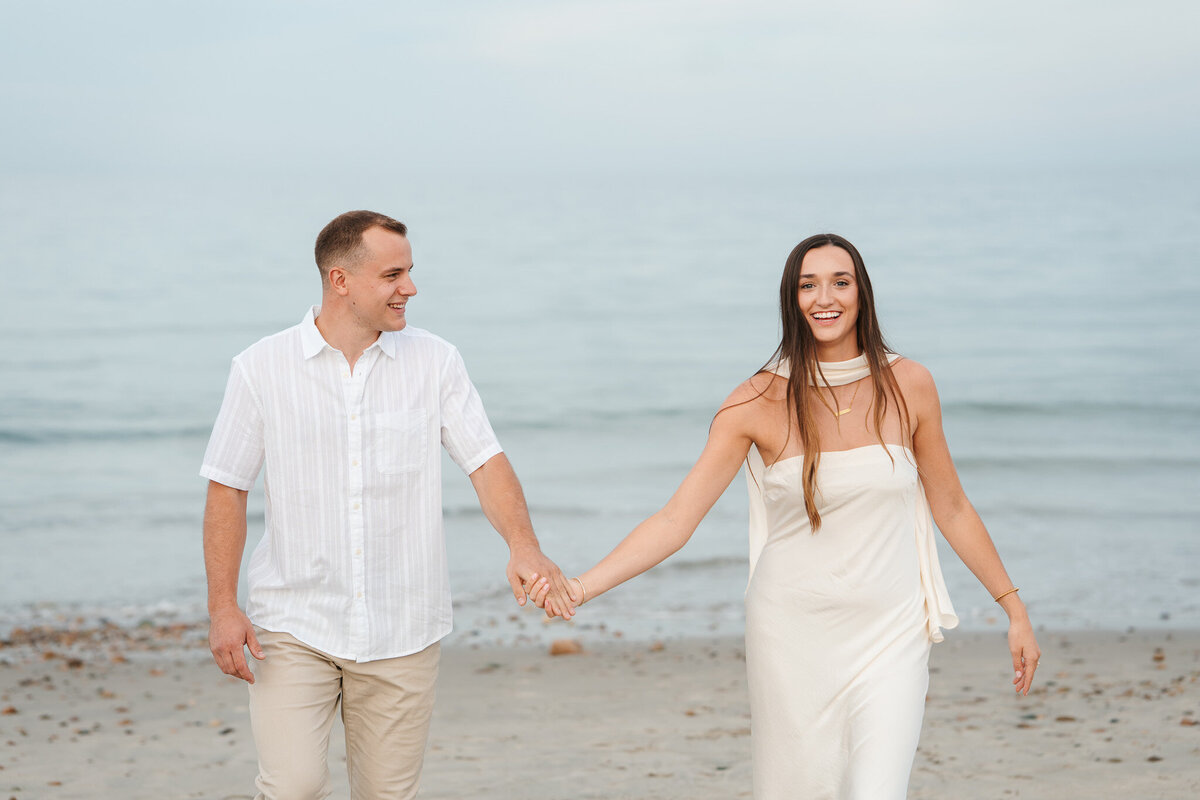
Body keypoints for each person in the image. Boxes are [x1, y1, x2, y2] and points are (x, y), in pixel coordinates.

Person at [550, 234, 1040, 799]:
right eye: (808, 284)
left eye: (840, 282)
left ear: (862, 294)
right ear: (792, 298)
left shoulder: (910, 385)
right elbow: (675, 520)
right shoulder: (755, 400)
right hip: (791, 634)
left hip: (890, 632)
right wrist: (581, 588)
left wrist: (1014, 608)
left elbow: (951, 506)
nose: (824, 297)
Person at [200, 210, 577, 800]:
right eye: (393, 274)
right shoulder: (260, 368)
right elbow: (228, 485)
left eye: (410, 272)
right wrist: (223, 605)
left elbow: (484, 461)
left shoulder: (437, 361)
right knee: (291, 786)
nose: (411, 288)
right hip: (294, 623)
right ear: (340, 280)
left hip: (405, 624)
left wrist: (523, 545)